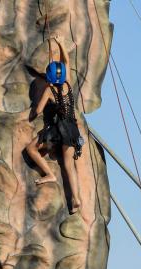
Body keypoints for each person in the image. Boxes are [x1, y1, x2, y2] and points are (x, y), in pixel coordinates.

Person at [24, 36, 84, 214]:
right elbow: (66, 61)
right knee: (68, 164)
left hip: (57, 131)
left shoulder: (49, 91)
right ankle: (76, 198)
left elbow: (38, 111)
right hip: (72, 130)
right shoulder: (68, 84)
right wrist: (61, 43)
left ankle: (49, 174)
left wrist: (32, 112)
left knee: (31, 149)